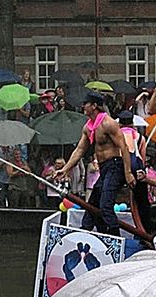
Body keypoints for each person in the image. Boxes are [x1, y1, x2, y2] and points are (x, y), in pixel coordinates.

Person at [54, 91, 136, 236]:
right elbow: (79, 150)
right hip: (104, 168)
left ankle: (114, 240)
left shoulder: (108, 123)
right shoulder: (88, 127)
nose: (83, 106)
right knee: (92, 205)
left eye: (85, 104)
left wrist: (128, 173)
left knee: (105, 205)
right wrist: (65, 169)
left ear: (94, 106)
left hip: (116, 166)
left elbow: (124, 147)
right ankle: (86, 233)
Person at [118, 110, 150, 234]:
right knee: (142, 203)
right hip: (137, 169)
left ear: (119, 123)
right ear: (132, 123)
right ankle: (145, 231)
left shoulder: (116, 134)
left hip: (120, 166)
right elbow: (142, 156)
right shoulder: (140, 137)